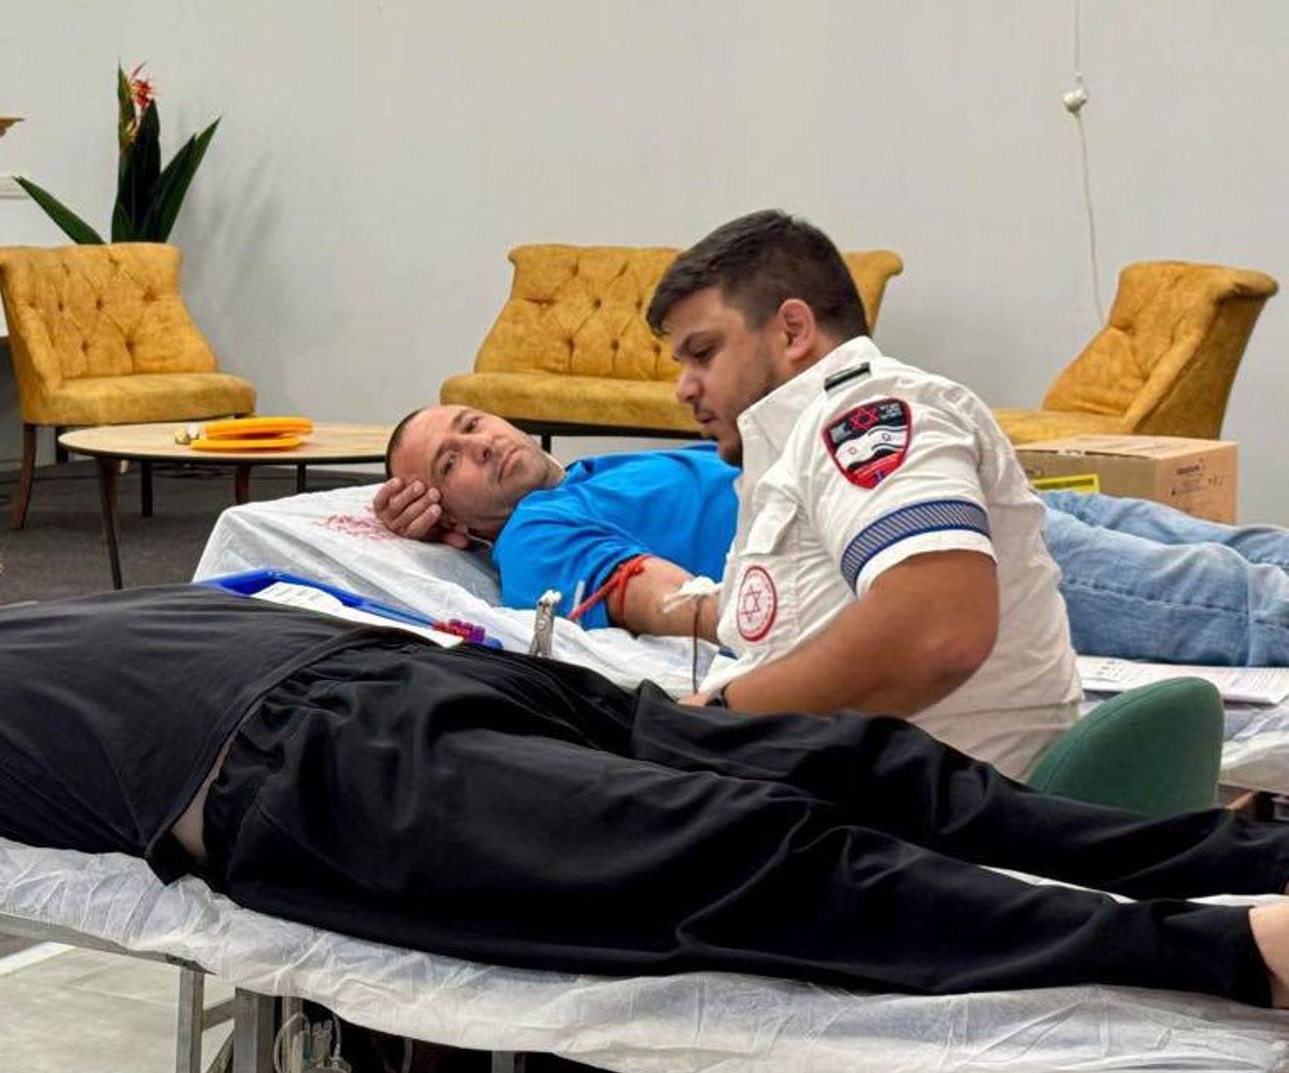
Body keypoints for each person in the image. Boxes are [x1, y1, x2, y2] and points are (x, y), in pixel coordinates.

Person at [0, 465, 1289, 1012]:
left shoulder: (20, 624)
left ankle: (1239, 851)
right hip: (310, 777)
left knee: (851, 761)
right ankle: (1220, 953)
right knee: (752, 854)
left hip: (432, 688)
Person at [387, 210, 1081, 777]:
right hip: (932, 779)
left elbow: (937, 628)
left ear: (793, 330)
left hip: (951, 803)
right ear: (448, 518)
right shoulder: (774, 452)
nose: (683, 388)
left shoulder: (859, 416)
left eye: (704, 353)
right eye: (449, 463)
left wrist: (719, 717)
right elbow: (682, 602)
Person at [376, 406, 1289, 665]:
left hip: (940, 491)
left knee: (1234, 546)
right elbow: (656, 598)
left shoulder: (592, 474)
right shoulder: (536, 535)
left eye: (472, 422)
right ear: (447, 519)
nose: (480, 442)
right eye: (451, 459)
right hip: (894, 545)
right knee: (1221, 600)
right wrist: (796, 624)